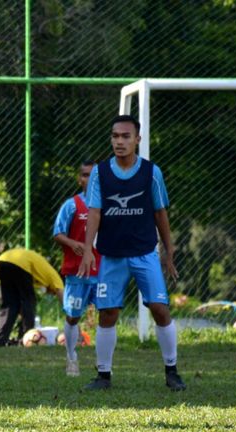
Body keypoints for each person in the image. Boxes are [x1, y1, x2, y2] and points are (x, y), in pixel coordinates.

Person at [78, 115, 186, 391]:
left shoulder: (151, 172)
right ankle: (103, 375)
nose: (119, 141)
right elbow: (94, 212)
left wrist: (168, 250)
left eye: (126, 136)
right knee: (108, 313)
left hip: (144, 253)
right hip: (111, 255)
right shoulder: (100, 173)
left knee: (160, 309)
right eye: (115, 136)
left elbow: (160, 212)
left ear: (137, 139)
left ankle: (172, 371)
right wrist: (88, 249)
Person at [53, 161, 101, 376]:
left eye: (93, 175)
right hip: (77, 272)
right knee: (73, 316)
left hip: (103, 271)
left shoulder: (108, 205)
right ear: (79, 179)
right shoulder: (71, 205)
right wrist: (75, 244)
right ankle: (71, 357)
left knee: (108, 314)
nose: (89, 179)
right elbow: (58, 233)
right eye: (84, 175)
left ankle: (104, 363)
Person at [0, 248, 64, 348]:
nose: (52, 294)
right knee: (29, 301)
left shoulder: (42, 276)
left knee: (9, 305)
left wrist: (23, 311)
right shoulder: (56, 278)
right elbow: (62, 296)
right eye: (53, 293)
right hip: (21, 263)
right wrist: (72, 318)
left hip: (4, 260)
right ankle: (25, 339)